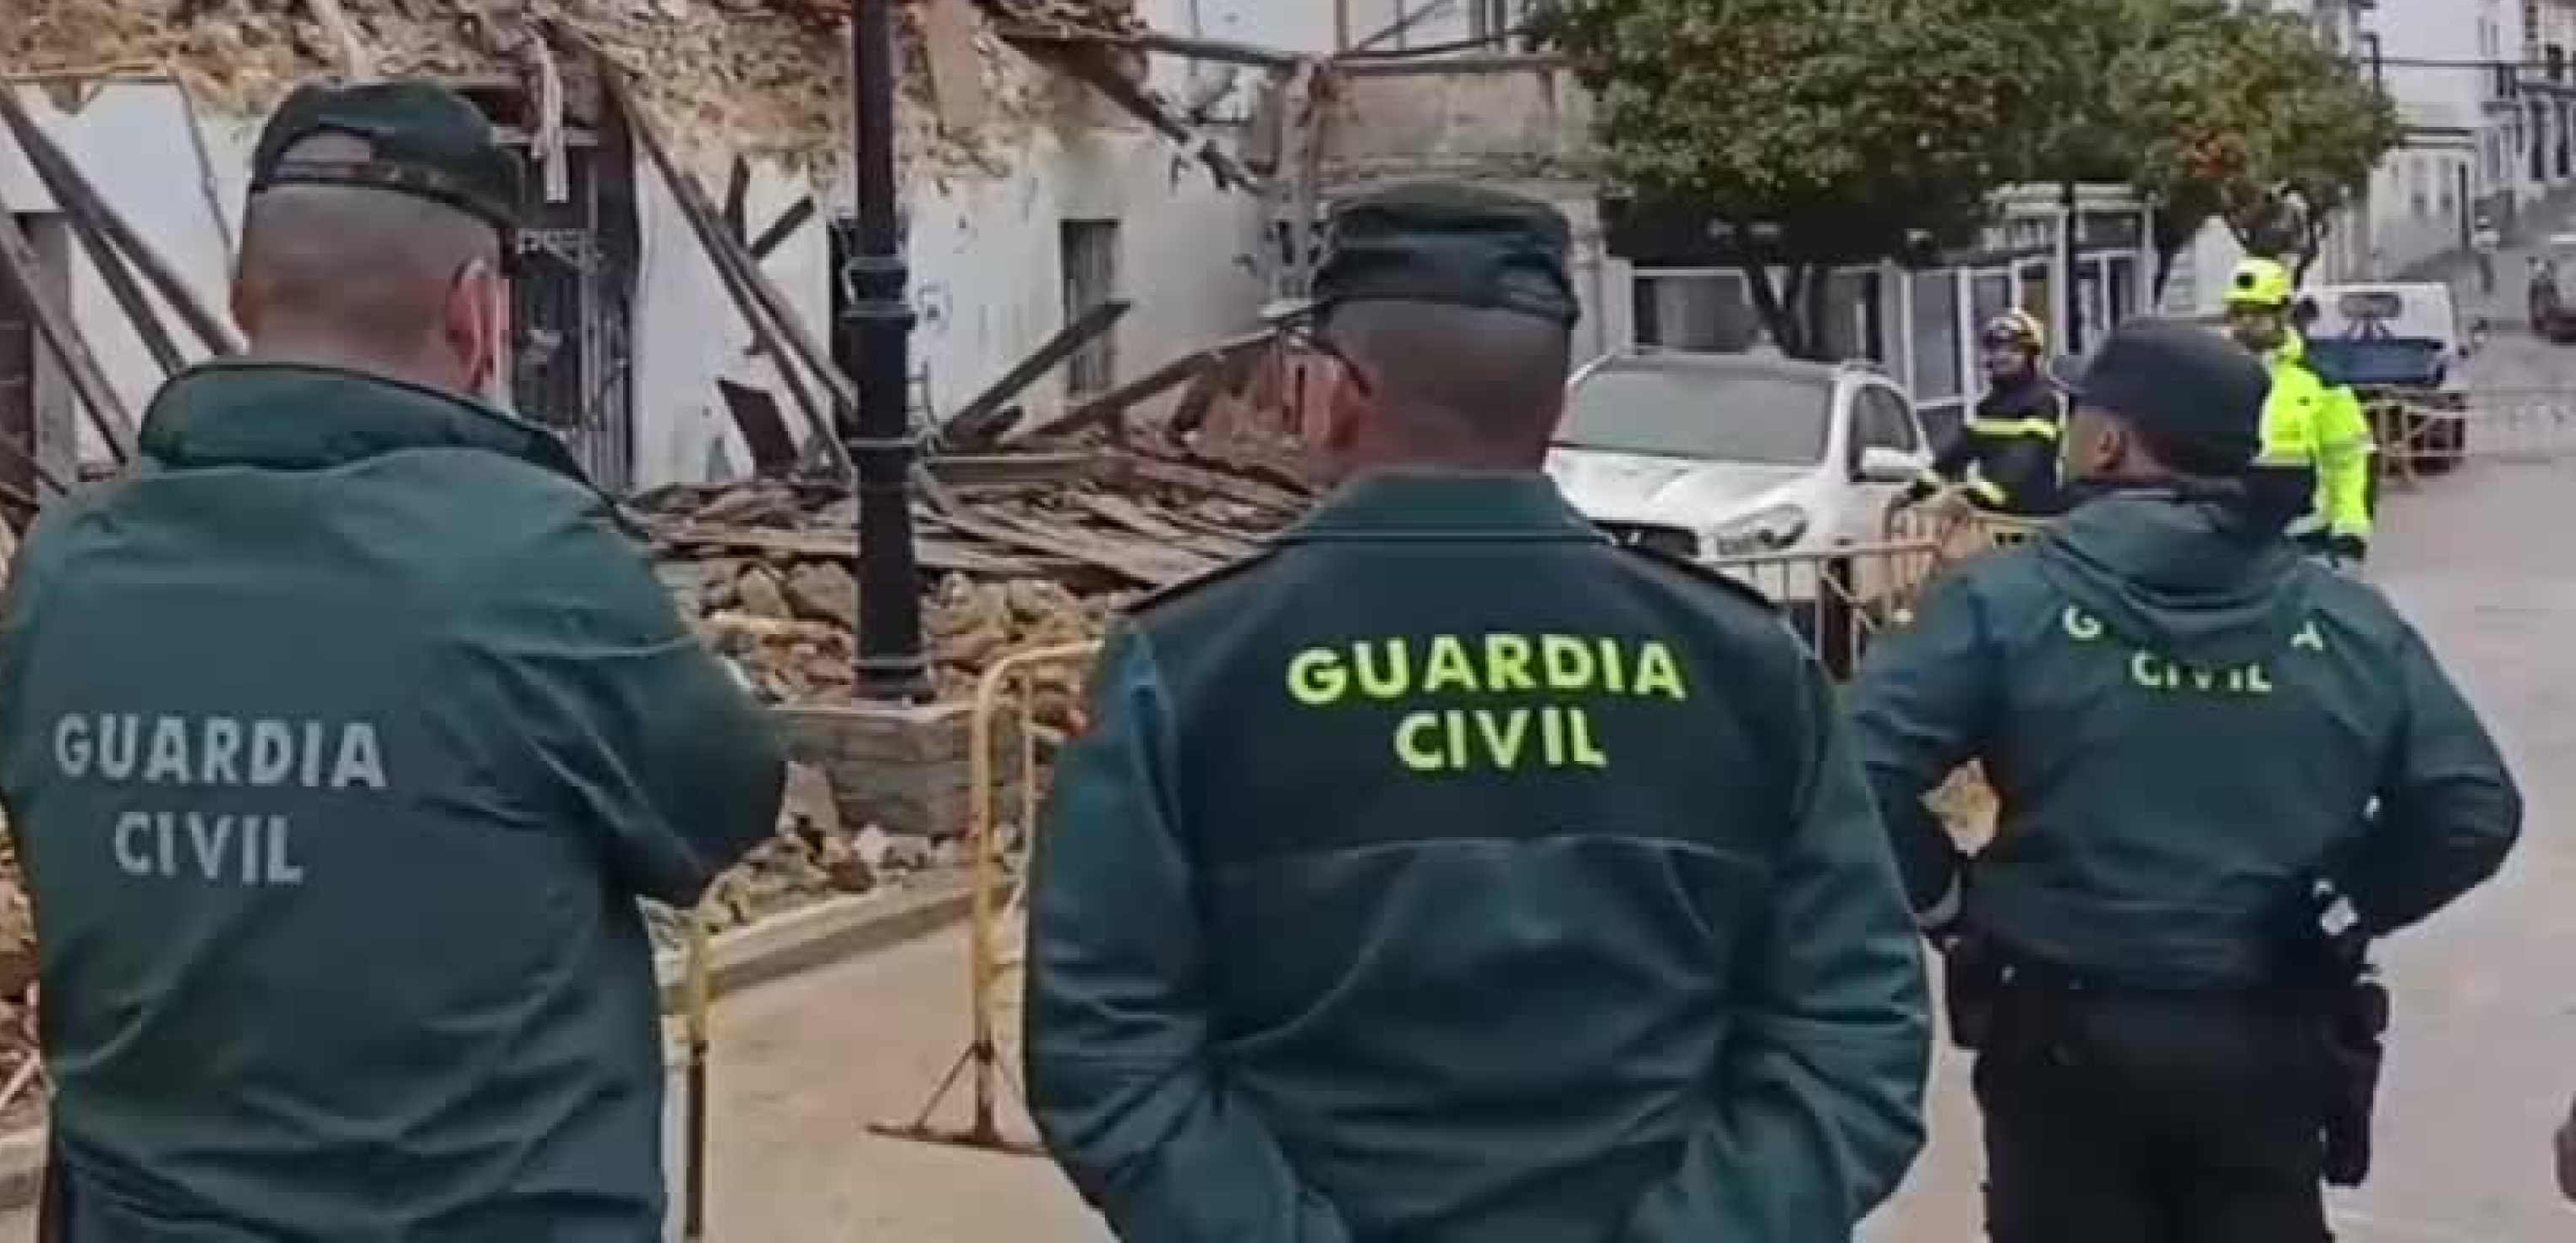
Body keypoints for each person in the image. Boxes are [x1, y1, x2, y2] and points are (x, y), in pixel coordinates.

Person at [1024, 182, 1931, 1243]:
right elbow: (1855, 1030)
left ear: (1334, 394)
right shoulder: (1742, 663)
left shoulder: (1186, 666)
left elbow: (1107, 1048)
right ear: (1554, 408)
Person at [0, 79, 787, 1242]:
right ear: (479, 313)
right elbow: (725, 802)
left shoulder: (65, 568)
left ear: (245, 294)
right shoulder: (534, 565)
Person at [1848, 318, 2522, 1243]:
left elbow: (1856, 768)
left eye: (2086, 413)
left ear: (2114, 442)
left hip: (2062, 1040)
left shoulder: (2005, 602)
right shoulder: (2343, 619)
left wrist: (1949, 903)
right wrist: (2339, 903)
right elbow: (2473, 809)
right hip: (2271, 1037)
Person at [2221, 257, 2375, 569]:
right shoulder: (2211, 377)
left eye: (2257, 312)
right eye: (2238, 312)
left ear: (2283, 314)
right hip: (2229, 547)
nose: (2245, 322)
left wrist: (2350, 542)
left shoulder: (2322, 384)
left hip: (2307, 547)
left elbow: (2350, 466)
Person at [1907, 309, 2069, 519]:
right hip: (1992, 522)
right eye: (1995, 349)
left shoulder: (2043, 402)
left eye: (2013, 349)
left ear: (2031, 355)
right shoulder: (1989, 407)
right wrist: (1916, 491)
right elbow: (1956, 455)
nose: (2001, 356)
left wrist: (1975, 497)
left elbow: (2022, 460)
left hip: (2032, 523)